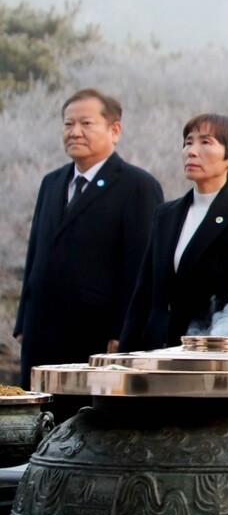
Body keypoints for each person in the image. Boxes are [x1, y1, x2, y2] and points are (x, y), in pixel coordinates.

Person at [13, 88, 163, 391]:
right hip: (41, 328)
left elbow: (138, 266)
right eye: (68, 124)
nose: (75, 132)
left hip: (95, 333)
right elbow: (35, 254)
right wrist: (23, 321)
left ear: (114, 130)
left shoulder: (137, 186)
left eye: (86, 123)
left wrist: (123, 332)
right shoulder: (52, 182)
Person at [119, 114, 228, 350]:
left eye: (206, 142)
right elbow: (144, 294)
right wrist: (124, 355)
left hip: (210, 353)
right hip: (157, 350)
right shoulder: (165, 214)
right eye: (188, 142)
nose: (191, 151)